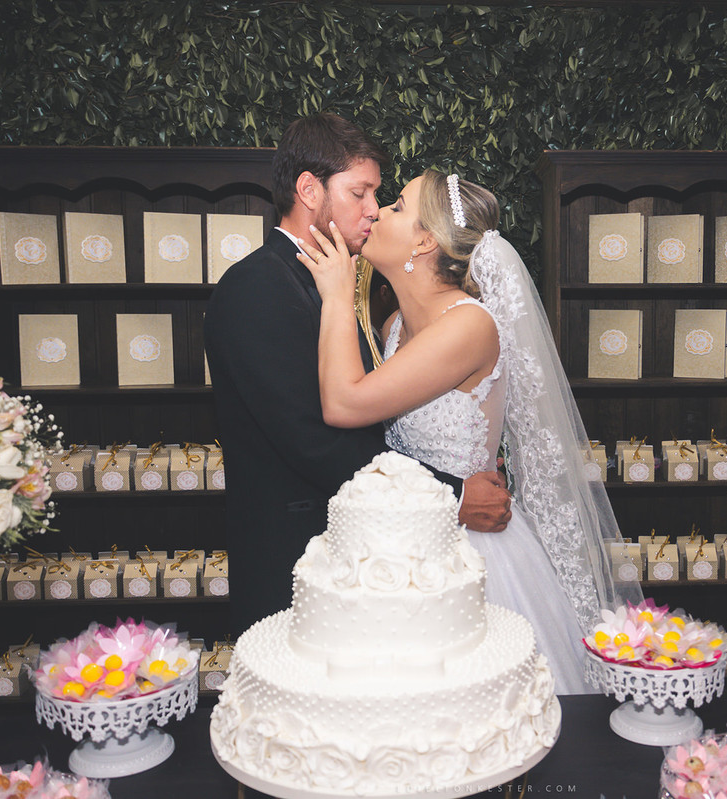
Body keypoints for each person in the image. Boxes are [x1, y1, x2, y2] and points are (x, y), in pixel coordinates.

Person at [296, 168, 643, 693]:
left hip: (469, 552)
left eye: (394, 207)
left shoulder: (468, 325)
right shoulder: (393, 328)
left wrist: (336, 296)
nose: (375, 213)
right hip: (403, 540)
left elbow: (345, 404)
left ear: (425, 239)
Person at [205, 116, 511, 636]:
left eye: (383, 199)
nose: (373, 209)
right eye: (361, 192)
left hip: (379, 552)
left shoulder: (345, 287)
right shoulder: (257, 288)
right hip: (295, 557)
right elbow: (316, 443)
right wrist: (454, 493)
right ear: (309, 189)